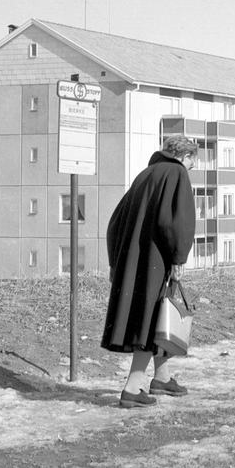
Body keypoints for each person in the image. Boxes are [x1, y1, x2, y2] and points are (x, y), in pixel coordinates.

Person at [101, 133, 196, 408]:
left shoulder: (146, 174)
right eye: (193, 161)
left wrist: (114, 263)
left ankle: (161, 378)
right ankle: (132, 387)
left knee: (158, 316)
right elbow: (175, 223)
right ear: (185, 156)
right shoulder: (177, 174)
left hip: (133, 262)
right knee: (152, 320)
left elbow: (115, 222)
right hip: (158, 261)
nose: (193, 168)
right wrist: (178, 259)